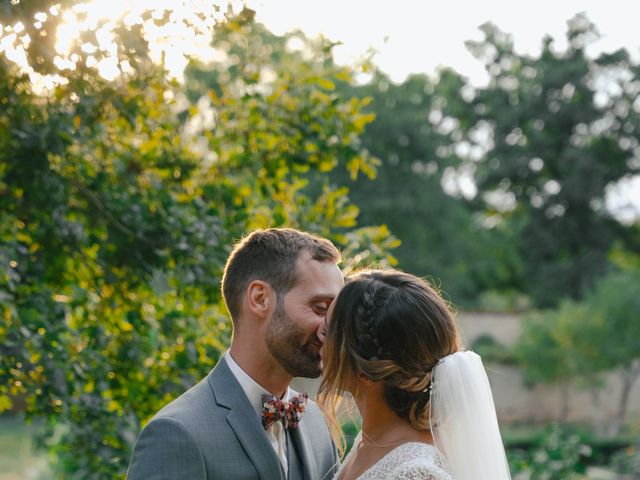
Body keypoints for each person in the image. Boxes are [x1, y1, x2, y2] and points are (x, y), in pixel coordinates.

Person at [127, 228, 344, 480]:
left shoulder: (317, 424)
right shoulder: (177, 434)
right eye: (320, 308)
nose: (331, 328)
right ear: (260, 298)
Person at [318, 269, 511, 480]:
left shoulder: (418, 473)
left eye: (327, 333)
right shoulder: (371, 440)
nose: (318, 337)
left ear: (366, 371)